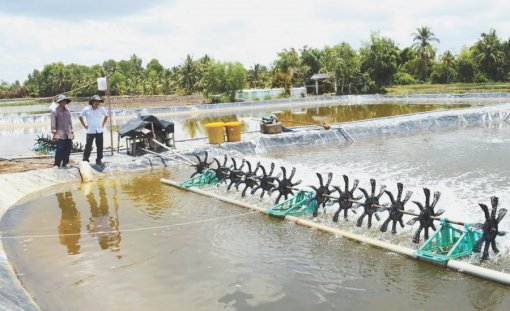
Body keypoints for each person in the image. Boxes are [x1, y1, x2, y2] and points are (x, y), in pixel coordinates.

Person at [79, 95, 108, 165]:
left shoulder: (101, 109)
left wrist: (103, 125)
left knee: (100, 146)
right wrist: (84, 125)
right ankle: (85, 159)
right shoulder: (86, 109)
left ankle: (99, 160)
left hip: (99, 130)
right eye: (96, 101)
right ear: (92, 102)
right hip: (90, 131)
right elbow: (80, 117)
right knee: (88, 146)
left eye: (98, 101)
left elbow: (106, 116)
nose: (97, 103)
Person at [51, 94, 74, 168]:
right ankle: (57, 164)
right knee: (60, 149)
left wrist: (72, 132)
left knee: (68, 148)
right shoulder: (55, 111)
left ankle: (65, 163)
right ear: (59, 102)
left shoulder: (67, 111)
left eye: (65, 101)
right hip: (60, 134)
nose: (64, 102)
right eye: (62, 101)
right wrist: (55, 133)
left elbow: (70, 122)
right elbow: (53, 123)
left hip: (68, 133)